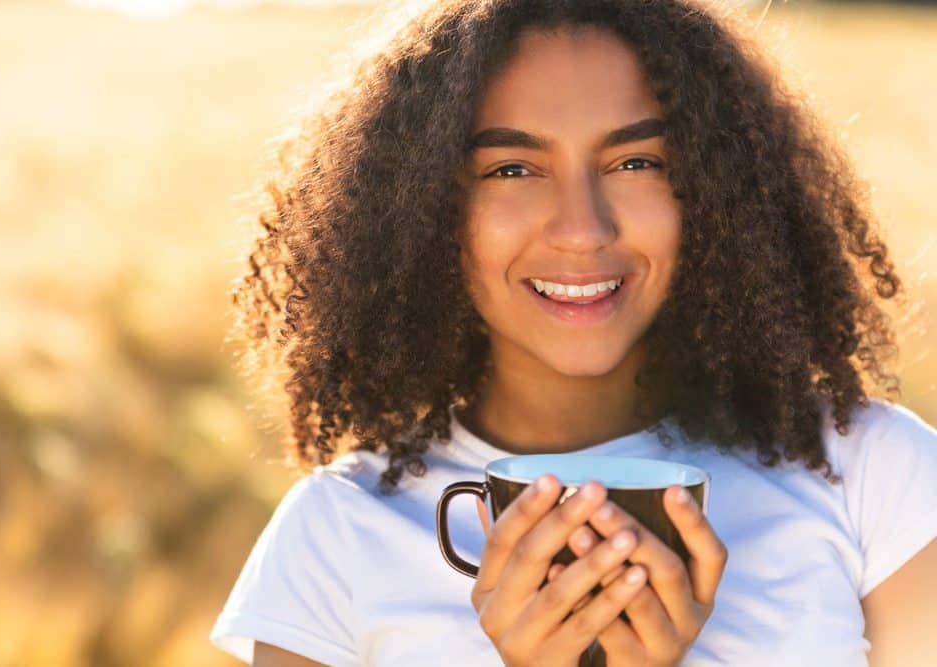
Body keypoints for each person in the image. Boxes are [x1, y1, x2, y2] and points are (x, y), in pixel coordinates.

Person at [209, 0, 937, 664]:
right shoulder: (337, 537)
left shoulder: (876, 478)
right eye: (513, 168)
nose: (583, 230)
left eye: (635, 161)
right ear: (423, 209)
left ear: (718, 190)